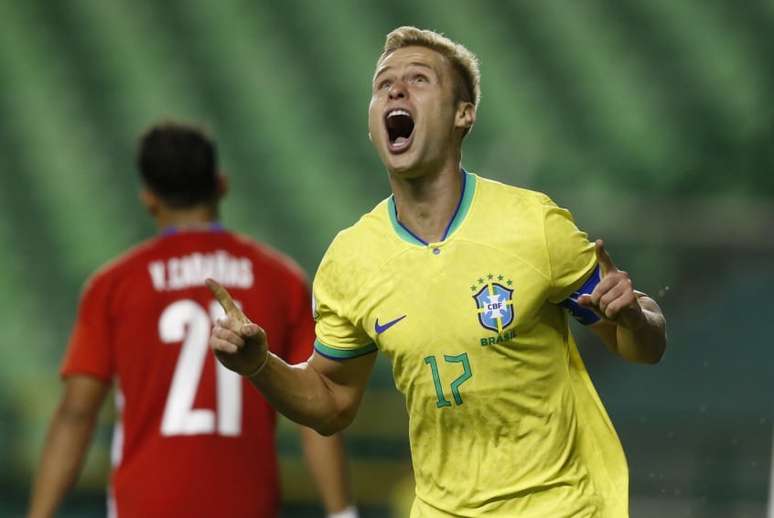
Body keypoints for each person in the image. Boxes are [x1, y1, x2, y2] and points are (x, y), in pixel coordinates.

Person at [207, 26, 667, 518]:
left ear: (462, 115)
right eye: (383, 85)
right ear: (372, 123)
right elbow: (332, 400)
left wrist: (635, 318)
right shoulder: (351, 260)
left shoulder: (533, 224)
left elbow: (641, 348)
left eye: (418, 79)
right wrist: (261, 364)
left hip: (561, 505)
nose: (395, 90)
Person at [28, 122, 358, 518]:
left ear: (149, 199)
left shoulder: (113, 286)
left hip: (145, 506)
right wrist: (342, 512)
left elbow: (77, 414)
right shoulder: (282, 280)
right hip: (246, 506)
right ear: (221, 185)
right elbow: (314, 406)